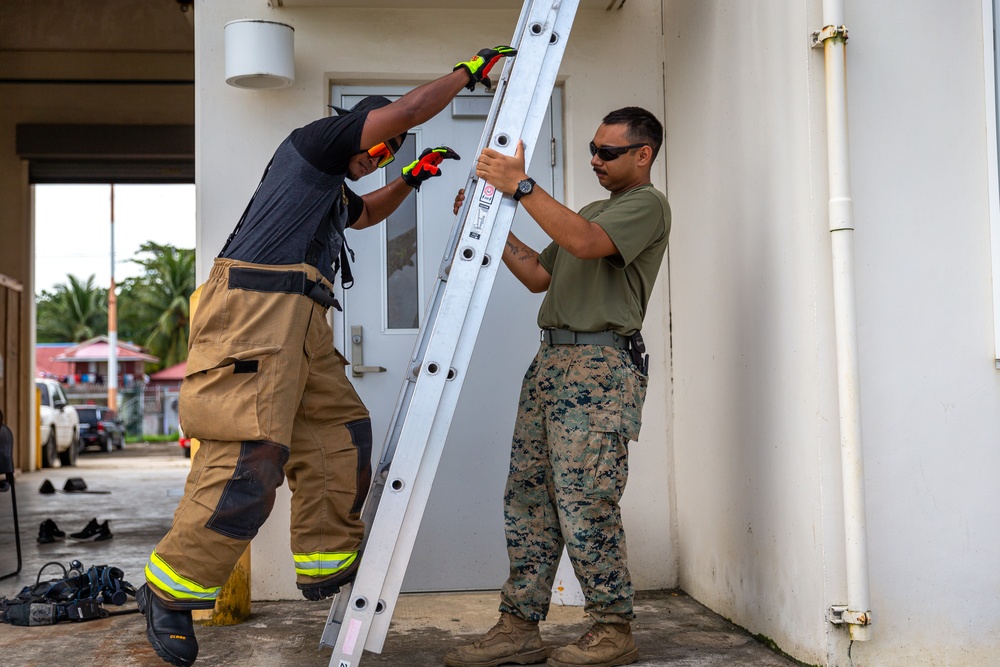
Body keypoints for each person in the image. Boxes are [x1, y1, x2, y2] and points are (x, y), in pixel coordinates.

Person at [135, 45, 516, 667]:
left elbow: (365, 215)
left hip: (303, 320)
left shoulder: (332, 195)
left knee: (340, 435)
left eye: (387, 154)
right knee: (246, 457)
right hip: (254, 310)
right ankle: (170, 592)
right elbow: (412, 107)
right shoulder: (312, 146)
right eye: (381, 145)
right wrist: (468, 73)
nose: (379, 157)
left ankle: (325, 562)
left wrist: (411, 178)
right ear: (361, 129)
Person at [444, 107, 669, 667]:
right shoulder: (590, 211)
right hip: (550, 364)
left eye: (607, 152)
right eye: (592, 149)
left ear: (642, 155)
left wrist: (521, 185)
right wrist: (494, 228)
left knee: (585, 498)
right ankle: (519, 626)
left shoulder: (646, 205)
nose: (595, 159)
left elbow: (589, 244)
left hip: (598, 371)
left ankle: (614, 628)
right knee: (529, 496)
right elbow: (539, 276)